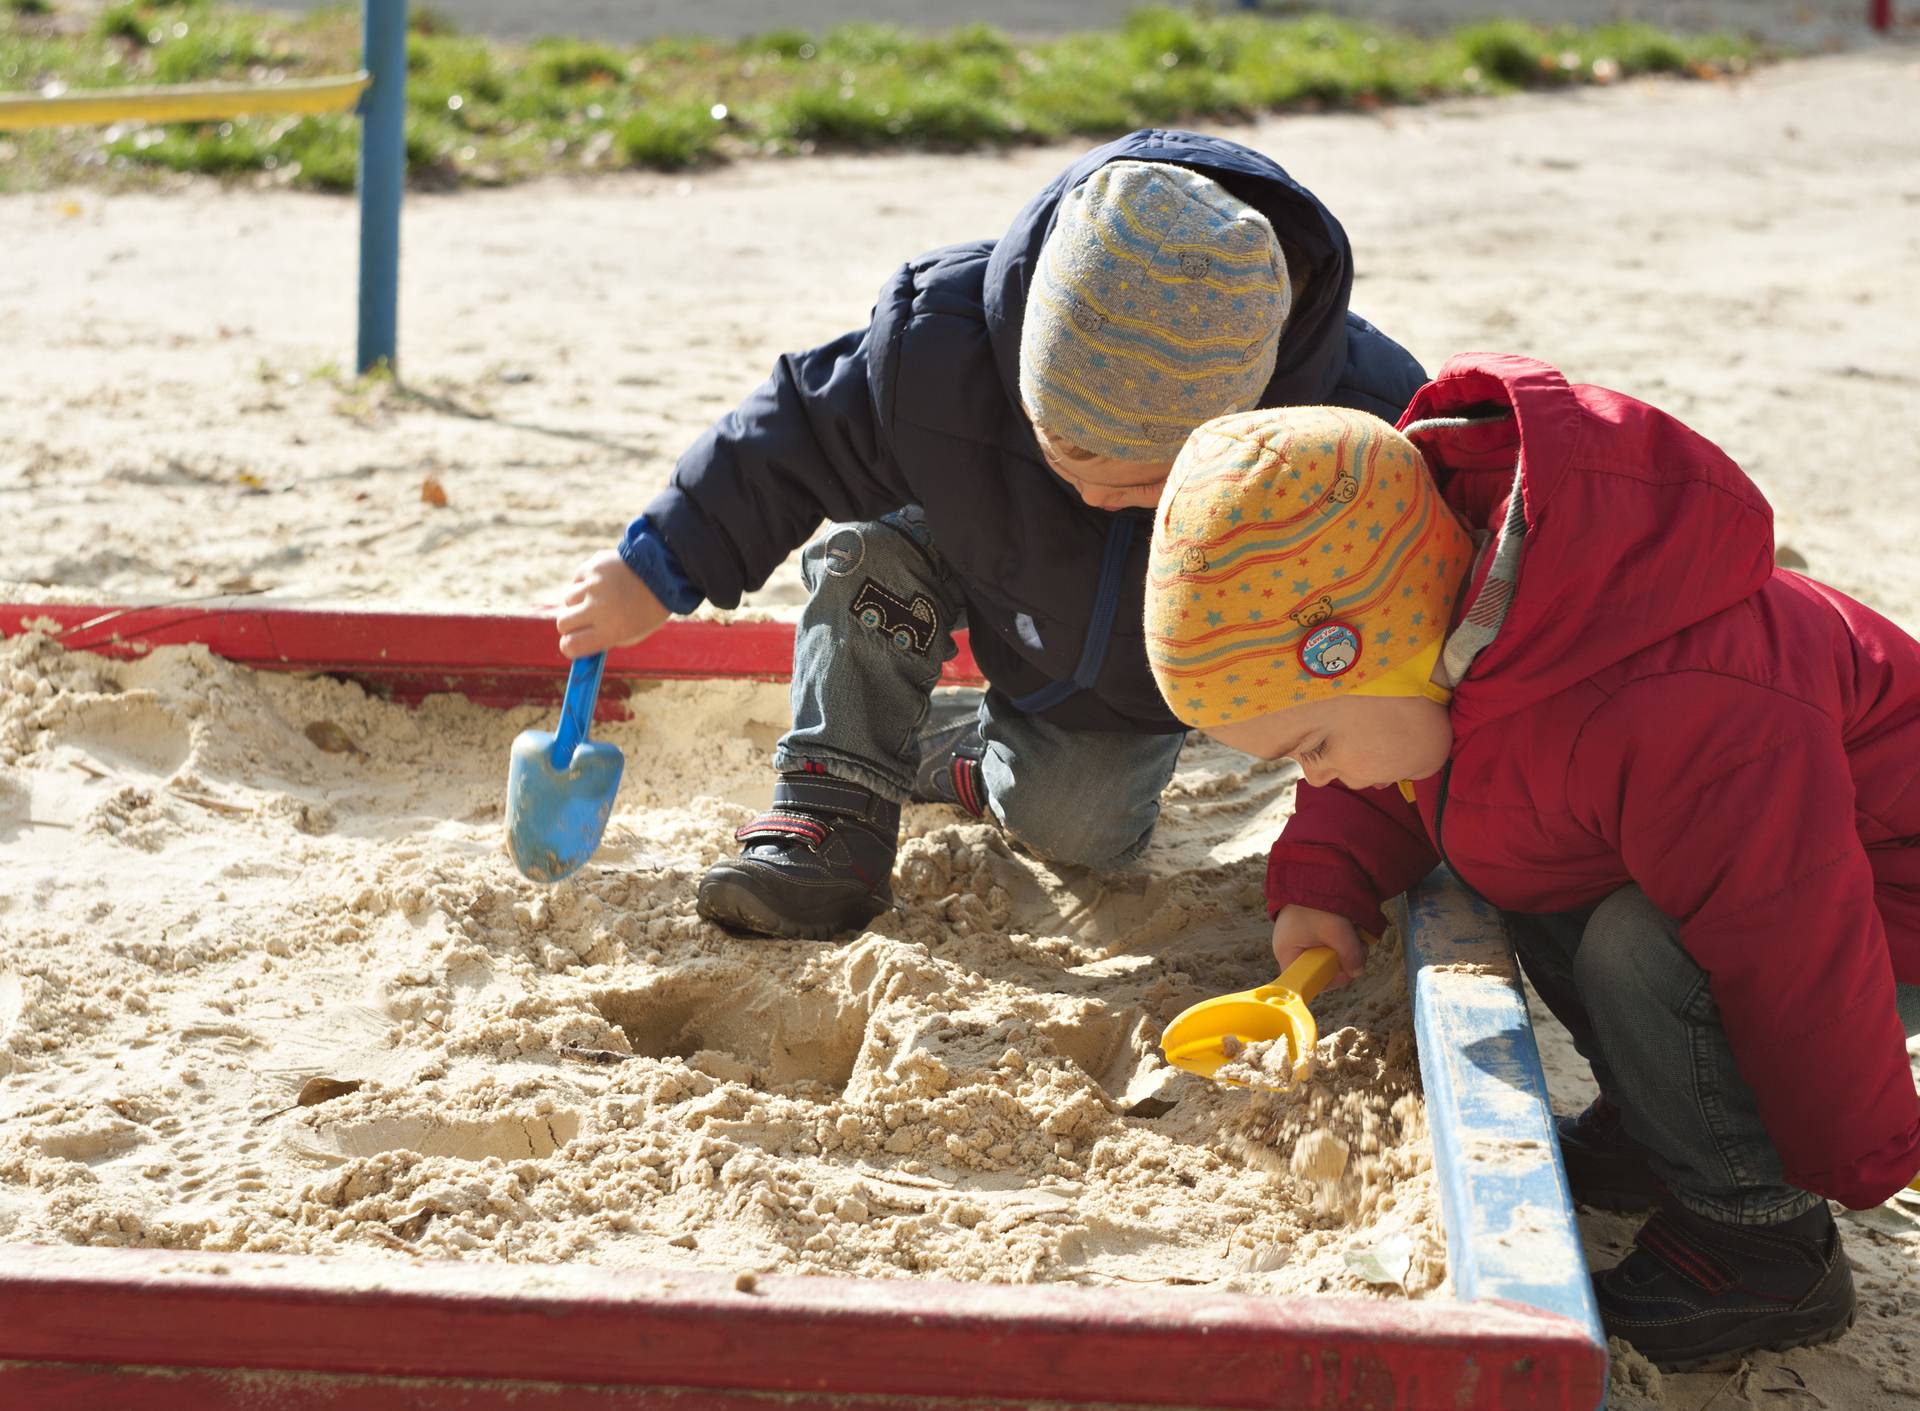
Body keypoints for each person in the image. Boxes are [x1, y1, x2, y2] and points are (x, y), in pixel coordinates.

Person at [1139, 357, 1920, 1370]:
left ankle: (1764, 1240)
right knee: (1522, 863)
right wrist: (1325, 883)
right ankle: (1668, 1125)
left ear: (1372, 652)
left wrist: (1856, 1151)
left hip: (1881, 886)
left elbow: (1793, 943)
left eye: (1309, 748)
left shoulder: (1681, 700)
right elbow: (1393, 770)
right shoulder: (1454, 636)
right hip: (1745, 867)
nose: (1316, 776)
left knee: (1644, 949)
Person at [554, 130, 1425, 939]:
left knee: (1079, 826)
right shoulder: (944, 350)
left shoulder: (1346, 427)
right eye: (1065, 453)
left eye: (1143, 484)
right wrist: (659, 564)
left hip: (1127, 674)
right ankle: (830, 810)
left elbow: (1422, 594)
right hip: (972, 544)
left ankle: (958, 750)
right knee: (872, 560)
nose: (1092, 491)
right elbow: (792, 438)